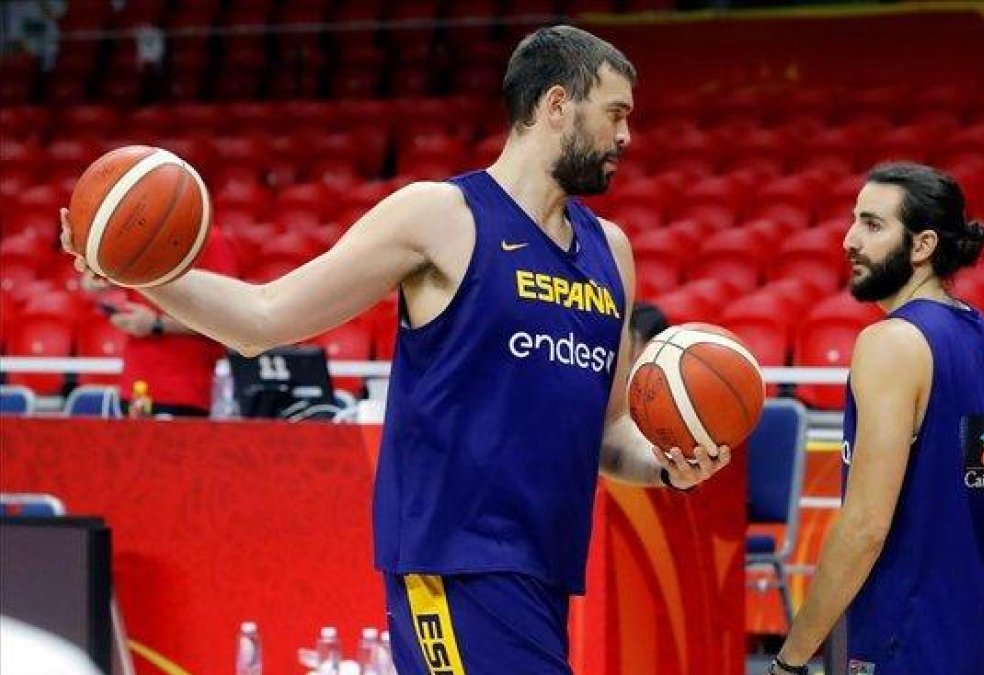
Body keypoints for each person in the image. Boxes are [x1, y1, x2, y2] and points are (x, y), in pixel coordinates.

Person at [61, 25, 731, 675]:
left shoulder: (610, 251)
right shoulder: (438, 216)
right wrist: (144, 269)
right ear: (557, 105)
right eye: (615, 113)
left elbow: (608, 430)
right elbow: (263, 317)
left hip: (547, 567)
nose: (626, 136)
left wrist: (669, 465)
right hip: (455, 559)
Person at [769, 162, 984, 675]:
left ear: (922, 246)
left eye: (873, 225)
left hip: (905, 650)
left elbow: (865, 527)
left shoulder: (891, 343)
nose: (849, 240)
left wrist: (790, 661)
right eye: (854, 219)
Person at [80, 225, 239, 417]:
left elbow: (225, 318)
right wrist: (100, 277)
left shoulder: (209, 239)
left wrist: (157, 324)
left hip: (182, 387)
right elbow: (90, 282)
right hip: (135, 382)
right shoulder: (138, 234)